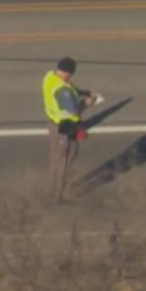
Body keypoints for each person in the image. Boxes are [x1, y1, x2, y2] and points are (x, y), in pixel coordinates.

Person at [42, 56, 99, 203]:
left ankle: (61, 188)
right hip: (62, 127)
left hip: (63, 125)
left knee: (71, 153)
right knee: (60, 161)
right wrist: (87, 103)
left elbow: (72, 88)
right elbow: (74, 110)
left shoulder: (50, 78)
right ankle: (54, 196)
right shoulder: (62, 90)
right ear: (68, 73)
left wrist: (86, 93)